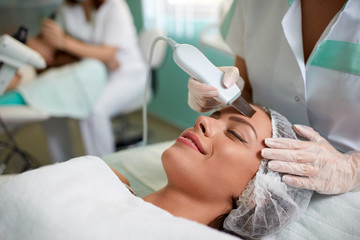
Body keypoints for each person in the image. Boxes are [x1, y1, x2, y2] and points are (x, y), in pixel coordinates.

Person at [0, 105, 313, 239]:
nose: (204, 121)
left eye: (235, 135)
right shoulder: (105, 181)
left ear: (259, 196)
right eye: (215, 115)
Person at [187, 0, 360, 195]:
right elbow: (246, 90)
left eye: (235, 134)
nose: (201, 122)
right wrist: (224, 92)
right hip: (262, 177)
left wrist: (352, 170)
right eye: (234, 133)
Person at [1, 0, 147, 160]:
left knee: (94, 110)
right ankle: (64, 164)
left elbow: (108, 53)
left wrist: (65, 42)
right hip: (98, 73)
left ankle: (107, 168)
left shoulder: (114, 6)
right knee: (53, 102)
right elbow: (54, 44)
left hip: (128, 75)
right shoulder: (66, 8)